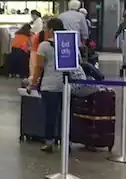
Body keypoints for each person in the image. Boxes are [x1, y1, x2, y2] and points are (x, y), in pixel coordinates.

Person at [31, 18, 87, 153]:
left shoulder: (44, 46)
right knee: (66, 115)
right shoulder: (70, 44)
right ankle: (66, 141)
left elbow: (39, 67)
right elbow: (78, 61)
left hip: (49, 86)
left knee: (50, 115)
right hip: (67, 84)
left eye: (46, 28)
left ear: (51, 30)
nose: (44, 31)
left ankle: (49, 142)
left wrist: (33, 83)